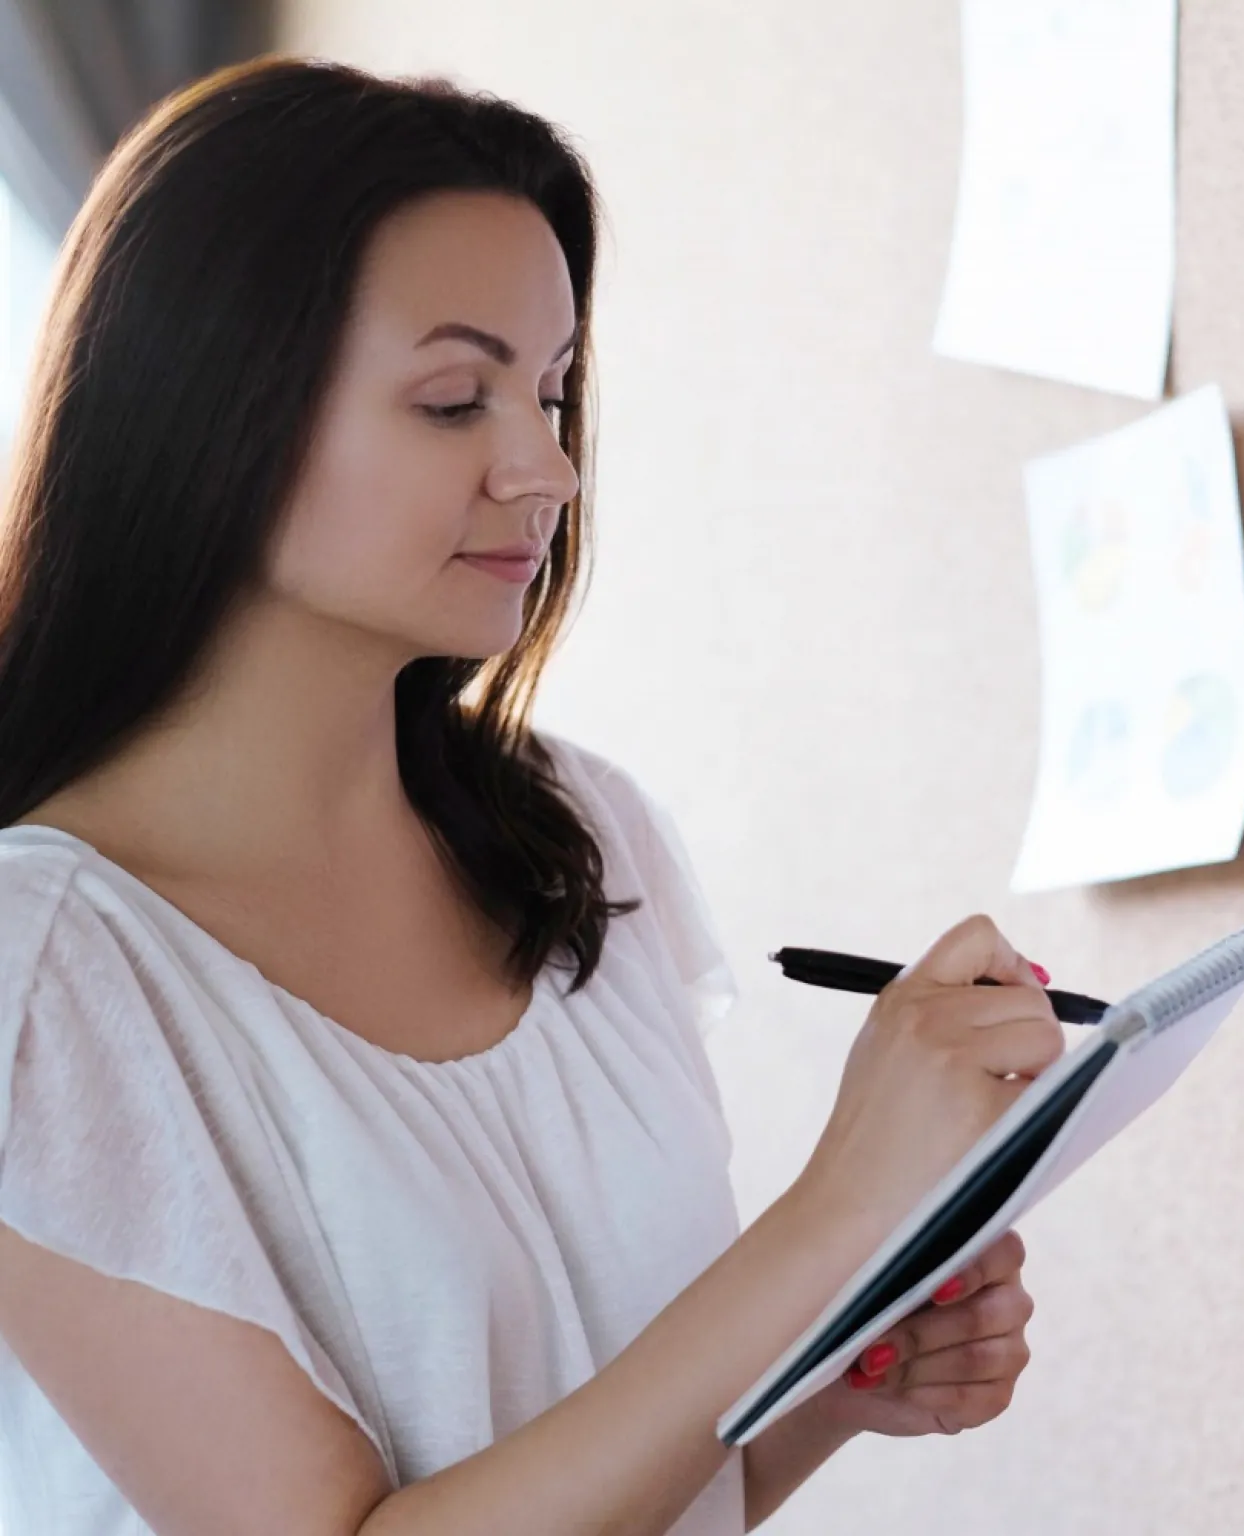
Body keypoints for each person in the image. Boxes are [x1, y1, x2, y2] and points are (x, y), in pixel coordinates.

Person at [0, 56, 1065, 1536]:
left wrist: (830, 1375)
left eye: (555, 391)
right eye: (456, 400)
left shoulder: (579, 837)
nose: (548, 468)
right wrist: (836, 1214)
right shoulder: (43, 976)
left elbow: (626, 1477)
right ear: (204, 408)